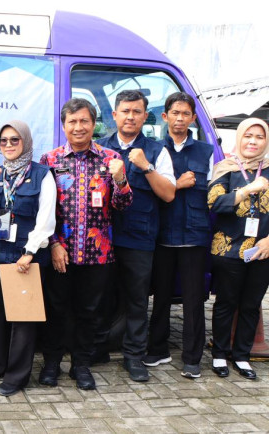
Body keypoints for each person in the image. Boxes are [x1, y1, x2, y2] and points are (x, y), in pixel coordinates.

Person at [38, 98, 131, 390]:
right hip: (60, 253)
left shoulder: (110, 158)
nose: (78, 127)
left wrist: (121, 179)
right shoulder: (50, 160)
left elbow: (123, 205)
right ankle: (51, 364)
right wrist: (54, 243)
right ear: (64, 125)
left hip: (97, 254)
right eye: (72, 121)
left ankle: (81, 365)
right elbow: (43, 210)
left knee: (89, 313)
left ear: (93, 124)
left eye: (84, 121)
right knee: (56, 311)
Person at [95, 90, 176, 382]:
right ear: (114, 115)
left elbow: (168, 194)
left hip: (139, 238)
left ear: (145, 116)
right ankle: (96, 349)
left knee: (137, 300)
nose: (130, 117)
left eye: (136, 111)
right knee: (98, 297)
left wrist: (146, 167)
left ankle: (134, 356)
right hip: (100, 237)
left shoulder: (157, 151)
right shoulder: (98, 149)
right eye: (125, 111)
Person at [0, 120, 56, 396]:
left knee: (23, 318)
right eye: (3, 141)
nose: (8, 145)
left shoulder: (42, 174)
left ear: (26, 141)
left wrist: (30, 252)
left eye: (14, 139)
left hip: (25, 257)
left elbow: (46, 218)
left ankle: (17, 376)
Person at [146, 92, 213, 379]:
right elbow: (151, 190)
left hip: (194, 236)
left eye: (186, 113)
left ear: (193, 118)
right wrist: (177, 183)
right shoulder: (154, 150)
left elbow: (213, 194)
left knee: (193, 300)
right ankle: (157, 349)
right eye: (175, 113)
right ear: (165, 116)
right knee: (160, 296)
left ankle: (192, 358)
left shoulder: (206, 152)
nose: (180, 118)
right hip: (161, 233)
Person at [207, 117, 269, 380]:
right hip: (228, 250)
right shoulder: (227, 168)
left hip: (263, 251)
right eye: (248, 136)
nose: (253, 141)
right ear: (239, 138)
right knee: (226, 303)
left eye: (259, 137)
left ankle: (242, 356)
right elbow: (215, 203)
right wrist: (246, 191)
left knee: (251, 305)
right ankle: (220, 354)